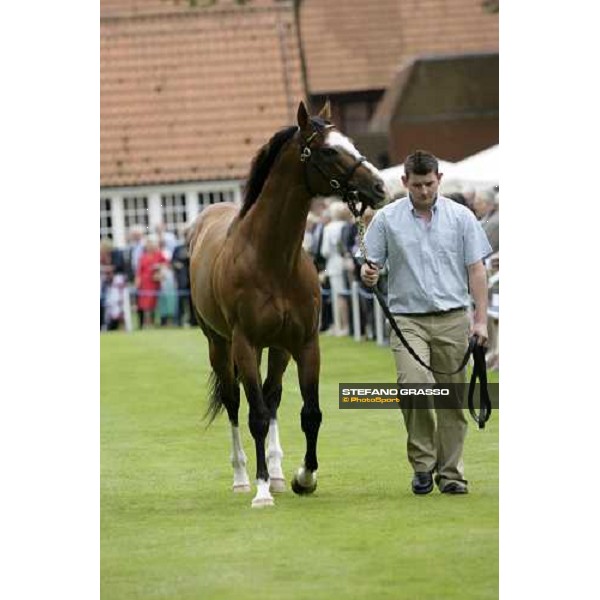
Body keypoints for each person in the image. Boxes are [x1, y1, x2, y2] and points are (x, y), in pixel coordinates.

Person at [360, 150, 492, 495]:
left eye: (429, 184)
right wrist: (369, 274)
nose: (423, 191)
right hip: (407, 320)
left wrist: (480, 321)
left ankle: (451, 473)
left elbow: (476, 270)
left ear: (439, 180)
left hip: (452, 317)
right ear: (405, 182)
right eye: (417, 185)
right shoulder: (387, 220)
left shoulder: (461, 218)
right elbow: (370, 266)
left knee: (451, 398)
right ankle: (422, 464)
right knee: (413, 386)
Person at [135, 235, 167, 329]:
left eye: (151, 243)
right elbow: (139, 271)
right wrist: (137, 281)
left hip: (155, 283)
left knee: (154, 304)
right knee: (145, 306)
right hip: (144, 284)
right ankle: (147, 324)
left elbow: (166, 264)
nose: (150, 246)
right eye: (148, 244)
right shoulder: (143, 256)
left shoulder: (159, 254)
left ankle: (156, 322)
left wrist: (159, 267)